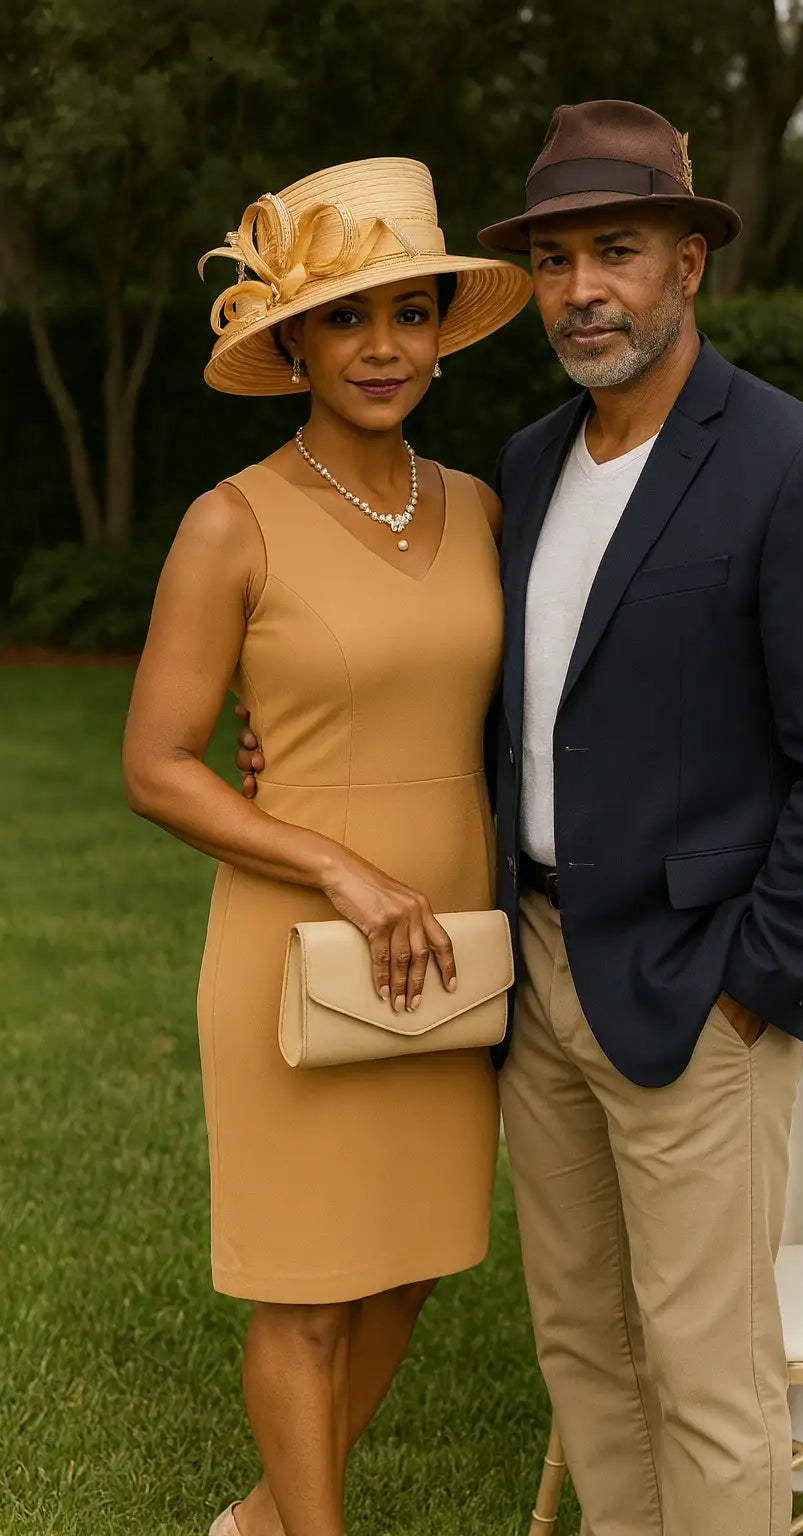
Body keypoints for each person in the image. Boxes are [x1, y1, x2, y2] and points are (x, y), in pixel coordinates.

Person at [236, 103, 803, 1535]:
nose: (584, 288)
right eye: (553, 261)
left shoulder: (797, 468)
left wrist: (753, 989)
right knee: (587, 1357)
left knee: (707, 1372)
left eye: (618, 250)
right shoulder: (527, 467)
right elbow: (469, 683)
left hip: (698, 992)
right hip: (533, 975)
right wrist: (287, 742)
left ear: (689, 267)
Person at [121, 157, 532, 1536]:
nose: (383, 349)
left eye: (409, 314)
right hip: (295, 947)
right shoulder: (230, 522)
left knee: (410, 1270)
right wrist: (337, 863)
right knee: (303, 1293)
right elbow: (154, 765)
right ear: (291, 338)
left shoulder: (481, 508)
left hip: (454, 952)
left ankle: (257, 1520)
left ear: (438, 334)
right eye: (349, 319)